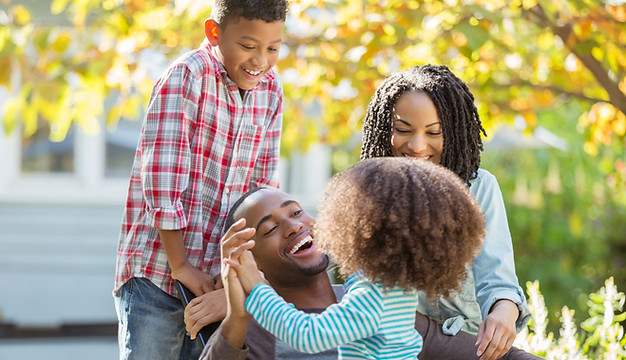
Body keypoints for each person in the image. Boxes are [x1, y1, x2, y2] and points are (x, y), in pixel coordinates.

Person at [112, 0, 288, 358]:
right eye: (249, 46)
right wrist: (180, 264)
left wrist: (234, 280)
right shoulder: (187, 76)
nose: (261, 61)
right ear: (214, 33)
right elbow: (161, 179)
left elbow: (261, 191)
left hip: (215, 285)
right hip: (158, 275)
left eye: (273, 48)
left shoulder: (271, 90)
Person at [220, 158, 486, 359]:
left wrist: (256, 288)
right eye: (270, 229)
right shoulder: (389, 288)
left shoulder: (373, 297)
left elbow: (306, 335)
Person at [360, 64, 534, 360]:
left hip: (466, 342)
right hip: (396, 342)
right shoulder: (368, 189)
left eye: (433, 132)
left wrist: (504, 309)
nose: (416, 145)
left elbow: (497, 278)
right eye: (403, 130)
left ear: (453, 132)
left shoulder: (479, 188)